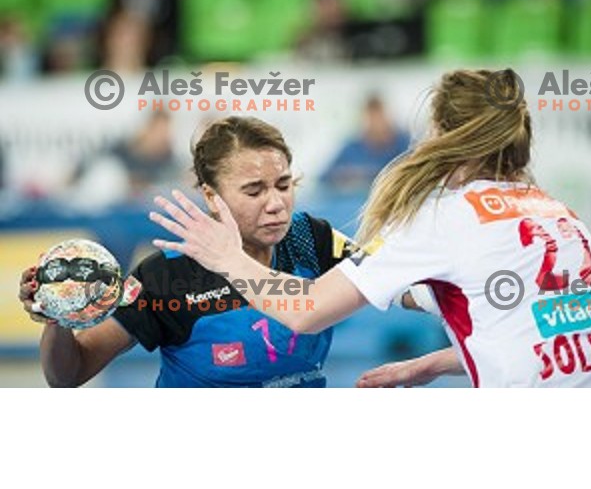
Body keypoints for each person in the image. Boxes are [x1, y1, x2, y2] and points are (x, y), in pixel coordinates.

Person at [149, 69, 591, 388]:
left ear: (444, 136)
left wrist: (226, 258)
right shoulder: (560, 215)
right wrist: (431, 364)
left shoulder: (445, 218)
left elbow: (308, 309)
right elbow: (543, 335)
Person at [18, 116, 361, 388]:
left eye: (284, 185)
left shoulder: (309, 238)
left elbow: (396, 281)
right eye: (254, 191)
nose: (276, 204)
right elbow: (67, 375)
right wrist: (56, 318)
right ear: (211, 197)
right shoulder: (165, 276)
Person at [320, 94, 411, 193]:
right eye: (371, 118)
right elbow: (324, 178)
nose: (376, 124)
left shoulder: (404, 144)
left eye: (379, 117)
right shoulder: (351, 148)